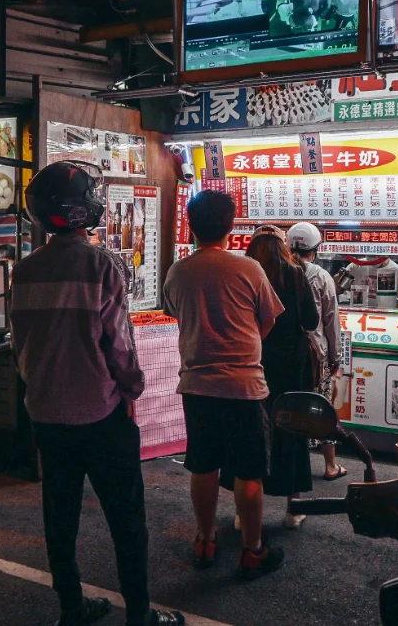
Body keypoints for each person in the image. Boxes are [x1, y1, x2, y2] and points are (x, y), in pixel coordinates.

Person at [12, 162, 182, 626]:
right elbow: (120, 346)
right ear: (87, 211)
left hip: (46, 417)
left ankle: (71, 608)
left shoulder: (25, 271)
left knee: (59, 518)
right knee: (127, 520)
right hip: (102, 415)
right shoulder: (101, 265)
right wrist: (133, 389)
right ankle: (140, 614)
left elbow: (20, 345)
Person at [161, 190, 286, 579]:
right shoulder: (249, 270)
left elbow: (174, 312)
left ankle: (204, 540)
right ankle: (252, 550)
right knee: (249, 472)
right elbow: (269, 319)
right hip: (244, 386)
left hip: (197, 385)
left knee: (203, 465)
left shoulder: (178, 271)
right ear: (231, 228)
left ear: (191, 226)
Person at [219, 233, 319, 529]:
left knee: (247, 432)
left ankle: (243, 513)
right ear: (284, 250)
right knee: (291, 431)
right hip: (289, 368)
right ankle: (293, 510)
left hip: (251, 362)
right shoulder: (296, 275)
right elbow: (311, 321)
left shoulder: (242, 274)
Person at [287, 223, 347, 481]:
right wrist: (336, 358)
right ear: (315, 249)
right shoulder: (321, 276)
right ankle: (330, 465)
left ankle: (286, 462)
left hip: (284, 354)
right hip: (315, 356)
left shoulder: (274, 273)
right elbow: (332, 321)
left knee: (286, 408)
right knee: (321, 408)